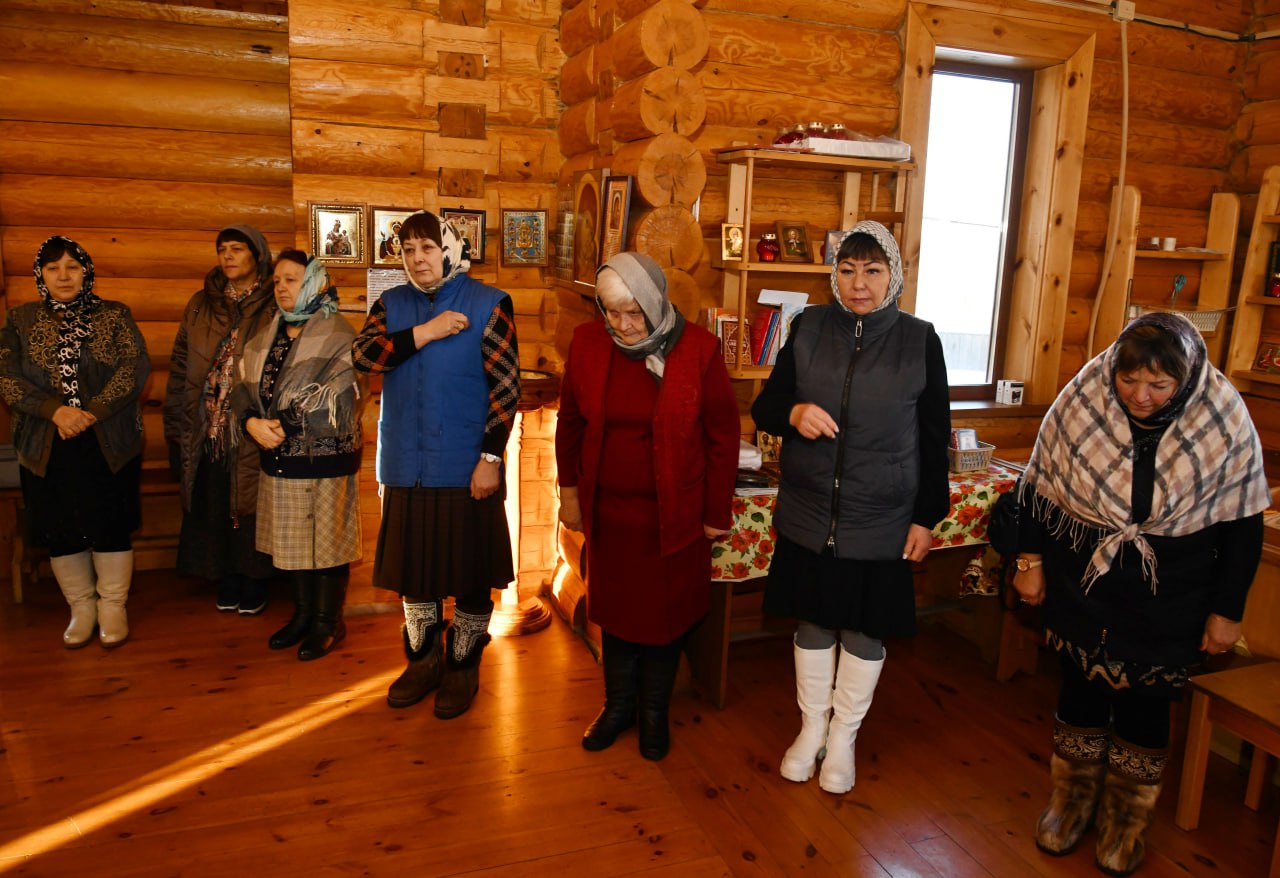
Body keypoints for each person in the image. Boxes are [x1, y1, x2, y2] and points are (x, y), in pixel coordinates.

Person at [1013, 311, 1268, 876]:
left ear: (1185, 378)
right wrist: (1029, 563)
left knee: (1146, 708)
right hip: (1083, 580)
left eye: (1159, 384)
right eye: (1129, 380)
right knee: (1079, 692)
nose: (1140, 396)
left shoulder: (1224, 415)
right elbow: (1037, 487)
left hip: (1173, 593)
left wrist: (1227, 612)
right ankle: (1071, 803)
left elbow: (1244, 521)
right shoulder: (1083, 397)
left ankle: (1126, 822)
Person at [751, 220, 950, 794]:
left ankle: (843, 739)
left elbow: (934, 436)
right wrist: (794, 414)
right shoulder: (809, 326)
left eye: (872, 270)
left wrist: (925, 517)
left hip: (882, 517)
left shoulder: (920, 340)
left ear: (894, 276)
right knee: (812, 620)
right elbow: (767, 406)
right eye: (847, 269)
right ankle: (811, 729)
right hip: (811, 509)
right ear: (833, 275)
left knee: (865, 630)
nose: (858, 284)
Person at [555, 252, 740, 761]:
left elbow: (723, 437)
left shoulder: (698, 350)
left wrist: (715, 513)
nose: (623, 325)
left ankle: (654, 712)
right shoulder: (589, 344)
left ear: (657, 302)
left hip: (674, 518)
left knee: (665, 619)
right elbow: (571, 423)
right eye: (612, 312)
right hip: (610, 516)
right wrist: (569, 493)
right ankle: (618, 707)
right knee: (615, 615)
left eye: (634, 312)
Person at [353, 210, 519, 719]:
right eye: (408, 250)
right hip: (406, 464)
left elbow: (506, 389)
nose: (417, 258)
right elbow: (365, 356)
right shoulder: (391, 304)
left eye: (427, 248)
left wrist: (490, 458)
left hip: (466, 465)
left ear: (448, 250)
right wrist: (423, 333)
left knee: (470, 573)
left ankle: (463, 666)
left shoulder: (489, 303)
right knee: (416, 574)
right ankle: (422, 663)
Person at [0, 236, 150, 648]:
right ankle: (81, 608)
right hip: (45, 442)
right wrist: (56, 411)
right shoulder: (19, 321)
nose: (63, 276)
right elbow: (6, 377)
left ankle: (113, 606)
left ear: (86, 272)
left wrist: (91, 412)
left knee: (110, 524)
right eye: (53, 268)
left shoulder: (114, 315)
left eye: (72, 267)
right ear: (41, 275)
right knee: (60, 528)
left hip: (108, 440)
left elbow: (134, 366)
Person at [232, 250, 363, 661]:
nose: (282, 288)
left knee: (326, 544)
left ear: (313, 283)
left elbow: (341, 393)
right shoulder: (267, 334)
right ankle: (304, 615)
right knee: (295, 543)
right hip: (279, 457)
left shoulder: (338, 332)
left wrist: (281, 425)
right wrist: (251, 422)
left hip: (324, 460)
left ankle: (329, 622)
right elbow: (242, 385)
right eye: (277, 281)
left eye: (291, 279)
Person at [165, 225, 277, 614]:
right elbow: (181, 364)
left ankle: (254, 579)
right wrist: (176, 424)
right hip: (206, 421)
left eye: (237, 249)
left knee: (248, 502)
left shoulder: (273, 302)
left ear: (257, 255)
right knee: (213, 499)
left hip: (250, 423)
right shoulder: (201, 303)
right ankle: (225, 576)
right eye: (222, 249)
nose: (228, 256)